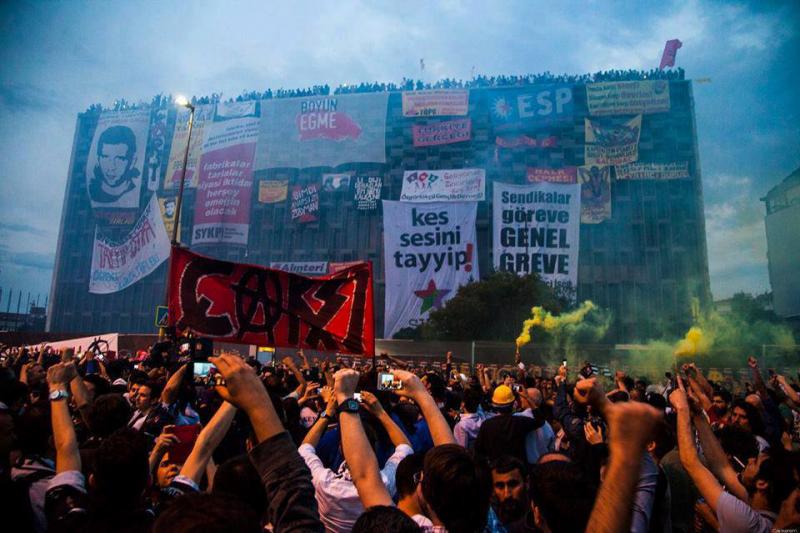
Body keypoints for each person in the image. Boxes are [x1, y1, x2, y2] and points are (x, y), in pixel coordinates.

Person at [88, 125, 141, 207]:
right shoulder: (90, 193)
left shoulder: (137, 193)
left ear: (132, 162)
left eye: (120, 159)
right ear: (98, 159)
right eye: (105, 157)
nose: (111, 167)